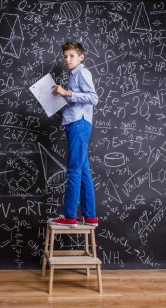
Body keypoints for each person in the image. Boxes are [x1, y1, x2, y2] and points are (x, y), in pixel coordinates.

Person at [47, 41, 99, 227]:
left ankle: (69, 217)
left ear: (81, 57)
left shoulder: (82, 72)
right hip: (75, 123)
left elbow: (93, 98)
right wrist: (62, 94)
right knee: (83, 170)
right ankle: (90, 217)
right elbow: (75, 97)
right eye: (65, 56)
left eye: (71, 56)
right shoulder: (72, 75)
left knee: (74, 169)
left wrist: (67, 93)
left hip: (79, 124)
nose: (67, 59)